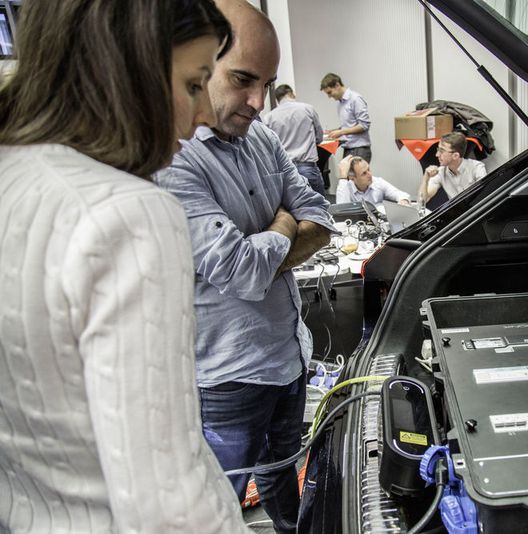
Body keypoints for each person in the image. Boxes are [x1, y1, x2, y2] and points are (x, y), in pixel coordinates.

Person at [0, 1, 251, 532]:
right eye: (192, 84)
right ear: (125, 70)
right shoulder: (131, 215)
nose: (204, 116)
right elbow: (169, 511)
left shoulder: (14, 176)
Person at [155, 2, 336, 532]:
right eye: (242, 80)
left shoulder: (262, 137)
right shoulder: (175, 158)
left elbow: (321, 219)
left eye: (268, 84)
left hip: (289, 353)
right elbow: (238, 269)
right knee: (217, 501)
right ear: (200, 65)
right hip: (229, 378)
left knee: (282, 472)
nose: (258, 102)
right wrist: (285, 224)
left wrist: (268, 245)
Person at [263, 83, 326, 196]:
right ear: (291, 94)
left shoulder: (269, 117)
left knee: (293, 205)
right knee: (319, 204)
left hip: (285, 170)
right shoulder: (308, 109)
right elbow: (319, 137)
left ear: (277, 99)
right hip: (307, 166)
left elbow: (269, 146)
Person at [418, 131, 487, 203]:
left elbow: (484, 196)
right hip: (457, 209)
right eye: (438, 150)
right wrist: (425, 178)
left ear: (455, 156)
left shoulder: (477, 168)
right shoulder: (441, 172)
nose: (437, 155)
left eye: (442, 151)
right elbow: (422, 201)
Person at [320, 72, 372, 161]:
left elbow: (364, 125)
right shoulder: (340, 104)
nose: (329, 96)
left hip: (359, 149)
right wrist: (333, 131)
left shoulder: (355, 99)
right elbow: (349, 125)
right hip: (348, 148)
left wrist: (341, 132)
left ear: (337, 85)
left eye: (329, 92)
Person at [336, 155, 411, 205]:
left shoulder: (377, 182)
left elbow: (401, 194)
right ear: (352, 178)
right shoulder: (346, 187)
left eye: (368, 169)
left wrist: (404, 201)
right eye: (364, 173)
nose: (369, 174)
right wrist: (343, 176)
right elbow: (340, 209)